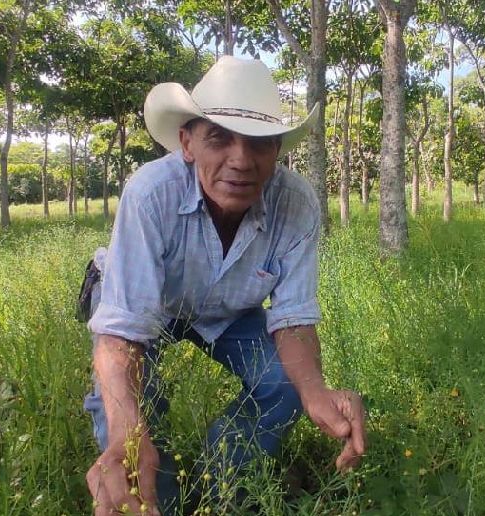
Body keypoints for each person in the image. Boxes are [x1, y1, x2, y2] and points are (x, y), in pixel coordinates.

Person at [81, 56, 367, 516]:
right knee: (131, 420)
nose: (241, 160)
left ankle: (223, 480)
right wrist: (127, 435)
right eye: (219, 138)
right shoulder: (151, 192)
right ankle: (157, 493)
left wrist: (316, 392)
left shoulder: (296, 203)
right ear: (187, 142)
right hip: (150, 304)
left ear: (277, 150)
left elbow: (292, 316)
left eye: (259, 143)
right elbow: (123, 329)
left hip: (230, 309)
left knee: (286, 386)